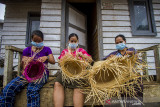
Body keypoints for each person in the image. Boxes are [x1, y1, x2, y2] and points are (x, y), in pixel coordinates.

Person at [0, 30, 55, 107]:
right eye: (35, 41)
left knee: (32, 89)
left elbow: (53, 61)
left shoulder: (46, 49)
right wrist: (27, 61)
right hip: (27, 75)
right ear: (31, 40)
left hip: (41, 75)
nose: (37, 43)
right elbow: (23, 67)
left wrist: (47, 57)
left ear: (42, 40)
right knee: (8, 89)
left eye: (39, 41)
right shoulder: (27, 50)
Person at [53, 33, 92, 107]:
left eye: (75, 41)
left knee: (79, 86)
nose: (73, 43)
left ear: (77, 42)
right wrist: (65, 58)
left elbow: (90, 60)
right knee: (57, 83)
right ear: (69, 41)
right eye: (72, 41)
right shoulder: (65, 51)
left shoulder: (81, 50)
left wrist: (82, 55)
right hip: (66, 73)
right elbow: (59, 63)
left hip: (79, 73)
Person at [103, 34, 143, 107]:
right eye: (117, 43)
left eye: (120, 42)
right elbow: (103, 61)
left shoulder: (131, 50)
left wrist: (131, 54)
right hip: (120, 78)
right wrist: (109, 59)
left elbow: (137, 58)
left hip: (131, 75)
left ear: (125, 42)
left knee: (137, 80)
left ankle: (137, 104)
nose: (119, 44)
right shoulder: (114, 54)